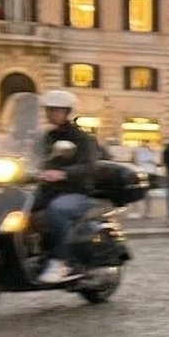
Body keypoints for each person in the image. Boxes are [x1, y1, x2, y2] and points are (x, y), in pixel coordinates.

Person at [36, 90, 99, 284]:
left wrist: (63, 173)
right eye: (48, 109)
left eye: (55, 110)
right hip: (49, 190)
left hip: (76, 191)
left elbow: (89, 165)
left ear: (67, 112)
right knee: (17, 206)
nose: (50, 113)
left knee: (57, 210)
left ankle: (59, 261)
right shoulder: (48, 136)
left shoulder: (81, 137)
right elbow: (35, 156)